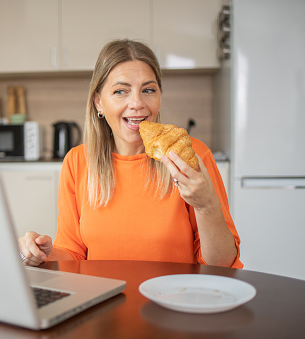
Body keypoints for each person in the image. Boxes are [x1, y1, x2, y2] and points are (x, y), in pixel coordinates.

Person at [18, 39, 242, 269]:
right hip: (101, 300)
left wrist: (206, 206)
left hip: (171, 299)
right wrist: (43, 253)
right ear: (98, 103)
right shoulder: (77, 162)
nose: (136, 103)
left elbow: (222, 264)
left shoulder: (191, 157)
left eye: (148, 90)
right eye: (120, 91)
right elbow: (73, 253)